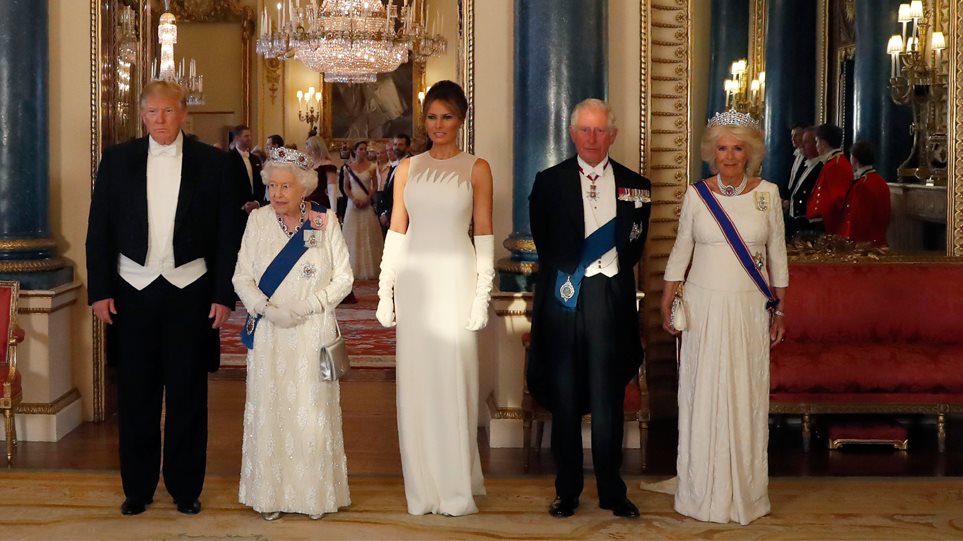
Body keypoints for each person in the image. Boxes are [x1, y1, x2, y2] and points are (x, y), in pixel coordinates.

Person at [86, 80, 241, 516]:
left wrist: (223, 294)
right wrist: (100, 291)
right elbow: (99, 230)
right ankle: (137, 489)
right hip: (131, 292)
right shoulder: (117, 161)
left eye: (168, 111)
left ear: (184, 113)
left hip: (191, 292)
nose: (160, 120)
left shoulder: (215, 163)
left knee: (188, 393)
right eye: (152, 112)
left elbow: (228, 235)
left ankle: (185, 487)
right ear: (142, 115)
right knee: (136, 394)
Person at [661, 110, 788, 525]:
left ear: (750, 153)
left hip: (749, 306)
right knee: (703, 393)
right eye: (722, 148)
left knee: (744, 393)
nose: (729, 156)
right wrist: (667, 298)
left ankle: (745, 493)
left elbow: (778, 255)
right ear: (711, 152)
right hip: (704, 308)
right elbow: (681, 249)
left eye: (737, 148)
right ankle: (701, 491)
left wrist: (780, 308)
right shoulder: (697, 195)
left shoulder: (767, 194)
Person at [527, 98, 651, 520]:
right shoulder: (549, 182)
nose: (592, 138)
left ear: (612, 135)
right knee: (565, 397)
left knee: (608, 397)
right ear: (572, 134)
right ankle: (567, 491)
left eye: (600, 131)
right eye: (585, 130)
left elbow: (635, 245)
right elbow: (545, 242)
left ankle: (613, 491)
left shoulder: (636, 186)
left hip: (610, 299)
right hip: (566, 297)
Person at [375, 80, 495, 516]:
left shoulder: (477, 168)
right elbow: (397, 231)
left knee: (454, 382)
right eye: (431, 116)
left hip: (457, 280)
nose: (438, 125)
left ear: (461, 120)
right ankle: (423, 488)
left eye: (447, 117)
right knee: (417, 384)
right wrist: (385, 291)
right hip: (415, 284)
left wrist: (481, 296)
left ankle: (456, 487)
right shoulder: (407, 168)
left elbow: (484, 233)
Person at [232, 147, 353, 521]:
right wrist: (267, 310)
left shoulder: (323, 221)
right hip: (270, 333)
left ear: (304, 188)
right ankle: (270, 495)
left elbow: (344, 279)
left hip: (312, 332)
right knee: (271, 412)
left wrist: (308, 305)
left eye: (285, 186)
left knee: (310, 411)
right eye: (272, 186)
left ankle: (313, 496)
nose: (277, 193)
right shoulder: (257, 221)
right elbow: (241, 278)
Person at [340, 140, 384, 279]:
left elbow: (375, 186)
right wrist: (353, 199)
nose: (363, 151)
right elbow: (346, 187)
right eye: (361, 149)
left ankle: (369, 268)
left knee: (367, 234)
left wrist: (367, 198)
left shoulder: (372, 167)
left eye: (365, 149)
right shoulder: (348, 167)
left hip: (366, 203)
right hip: (353, 204)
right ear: (355, 150)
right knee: (352, 234)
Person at [839, 140, 891, 245]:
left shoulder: (862, 185)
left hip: (864, 244)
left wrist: (849, 242)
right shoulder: (880, 181)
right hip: (879, 240)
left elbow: (858, 221)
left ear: (854, 159)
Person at [806, 123, 851, 235]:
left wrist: (821, 216)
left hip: (827, 224)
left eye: (817, 141)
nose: (816, 145)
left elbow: (838, 199)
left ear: (823, 143)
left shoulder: (836, 164)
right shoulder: (832, 162)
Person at [784, 126, 823, 239]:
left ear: (816, 144)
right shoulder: (807, 164)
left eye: (806, 142)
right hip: (795, 219)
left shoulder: (821, 167)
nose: (802, 145)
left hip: (808, 224)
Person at [377, 133, 413, 231]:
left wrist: (388, 215)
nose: (396, 148)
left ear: (408, 147)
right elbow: (387, 191)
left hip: (403, 218)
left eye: (400, 145)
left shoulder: (412, 164)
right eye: (395, 144)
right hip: (389, 216)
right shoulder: (394, 165)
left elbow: (406, 195)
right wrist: (383, 213)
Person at [229, 124, 264, 218]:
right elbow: (229, 185)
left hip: (256, 209)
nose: (250, 138)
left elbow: (260, 182)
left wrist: (257, 202)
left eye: (250, 136)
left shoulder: (255, 159)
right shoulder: (228, 159)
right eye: (246, 136)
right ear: (237, 138)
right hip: (237, 210)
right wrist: (242, 205)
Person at [303, 135, 338, 208]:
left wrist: (333, 210)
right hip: (306, 201)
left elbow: (332, 189)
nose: (305, 147)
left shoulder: (327, 164)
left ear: (314, 146)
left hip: (320, 202)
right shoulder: (309, 165)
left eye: (307, 144)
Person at [781, 123, 809, 205]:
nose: (793, 138)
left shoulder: (809, 157)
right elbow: (791, 179)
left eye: (797, 135)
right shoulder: (796, 155)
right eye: (792, 135)